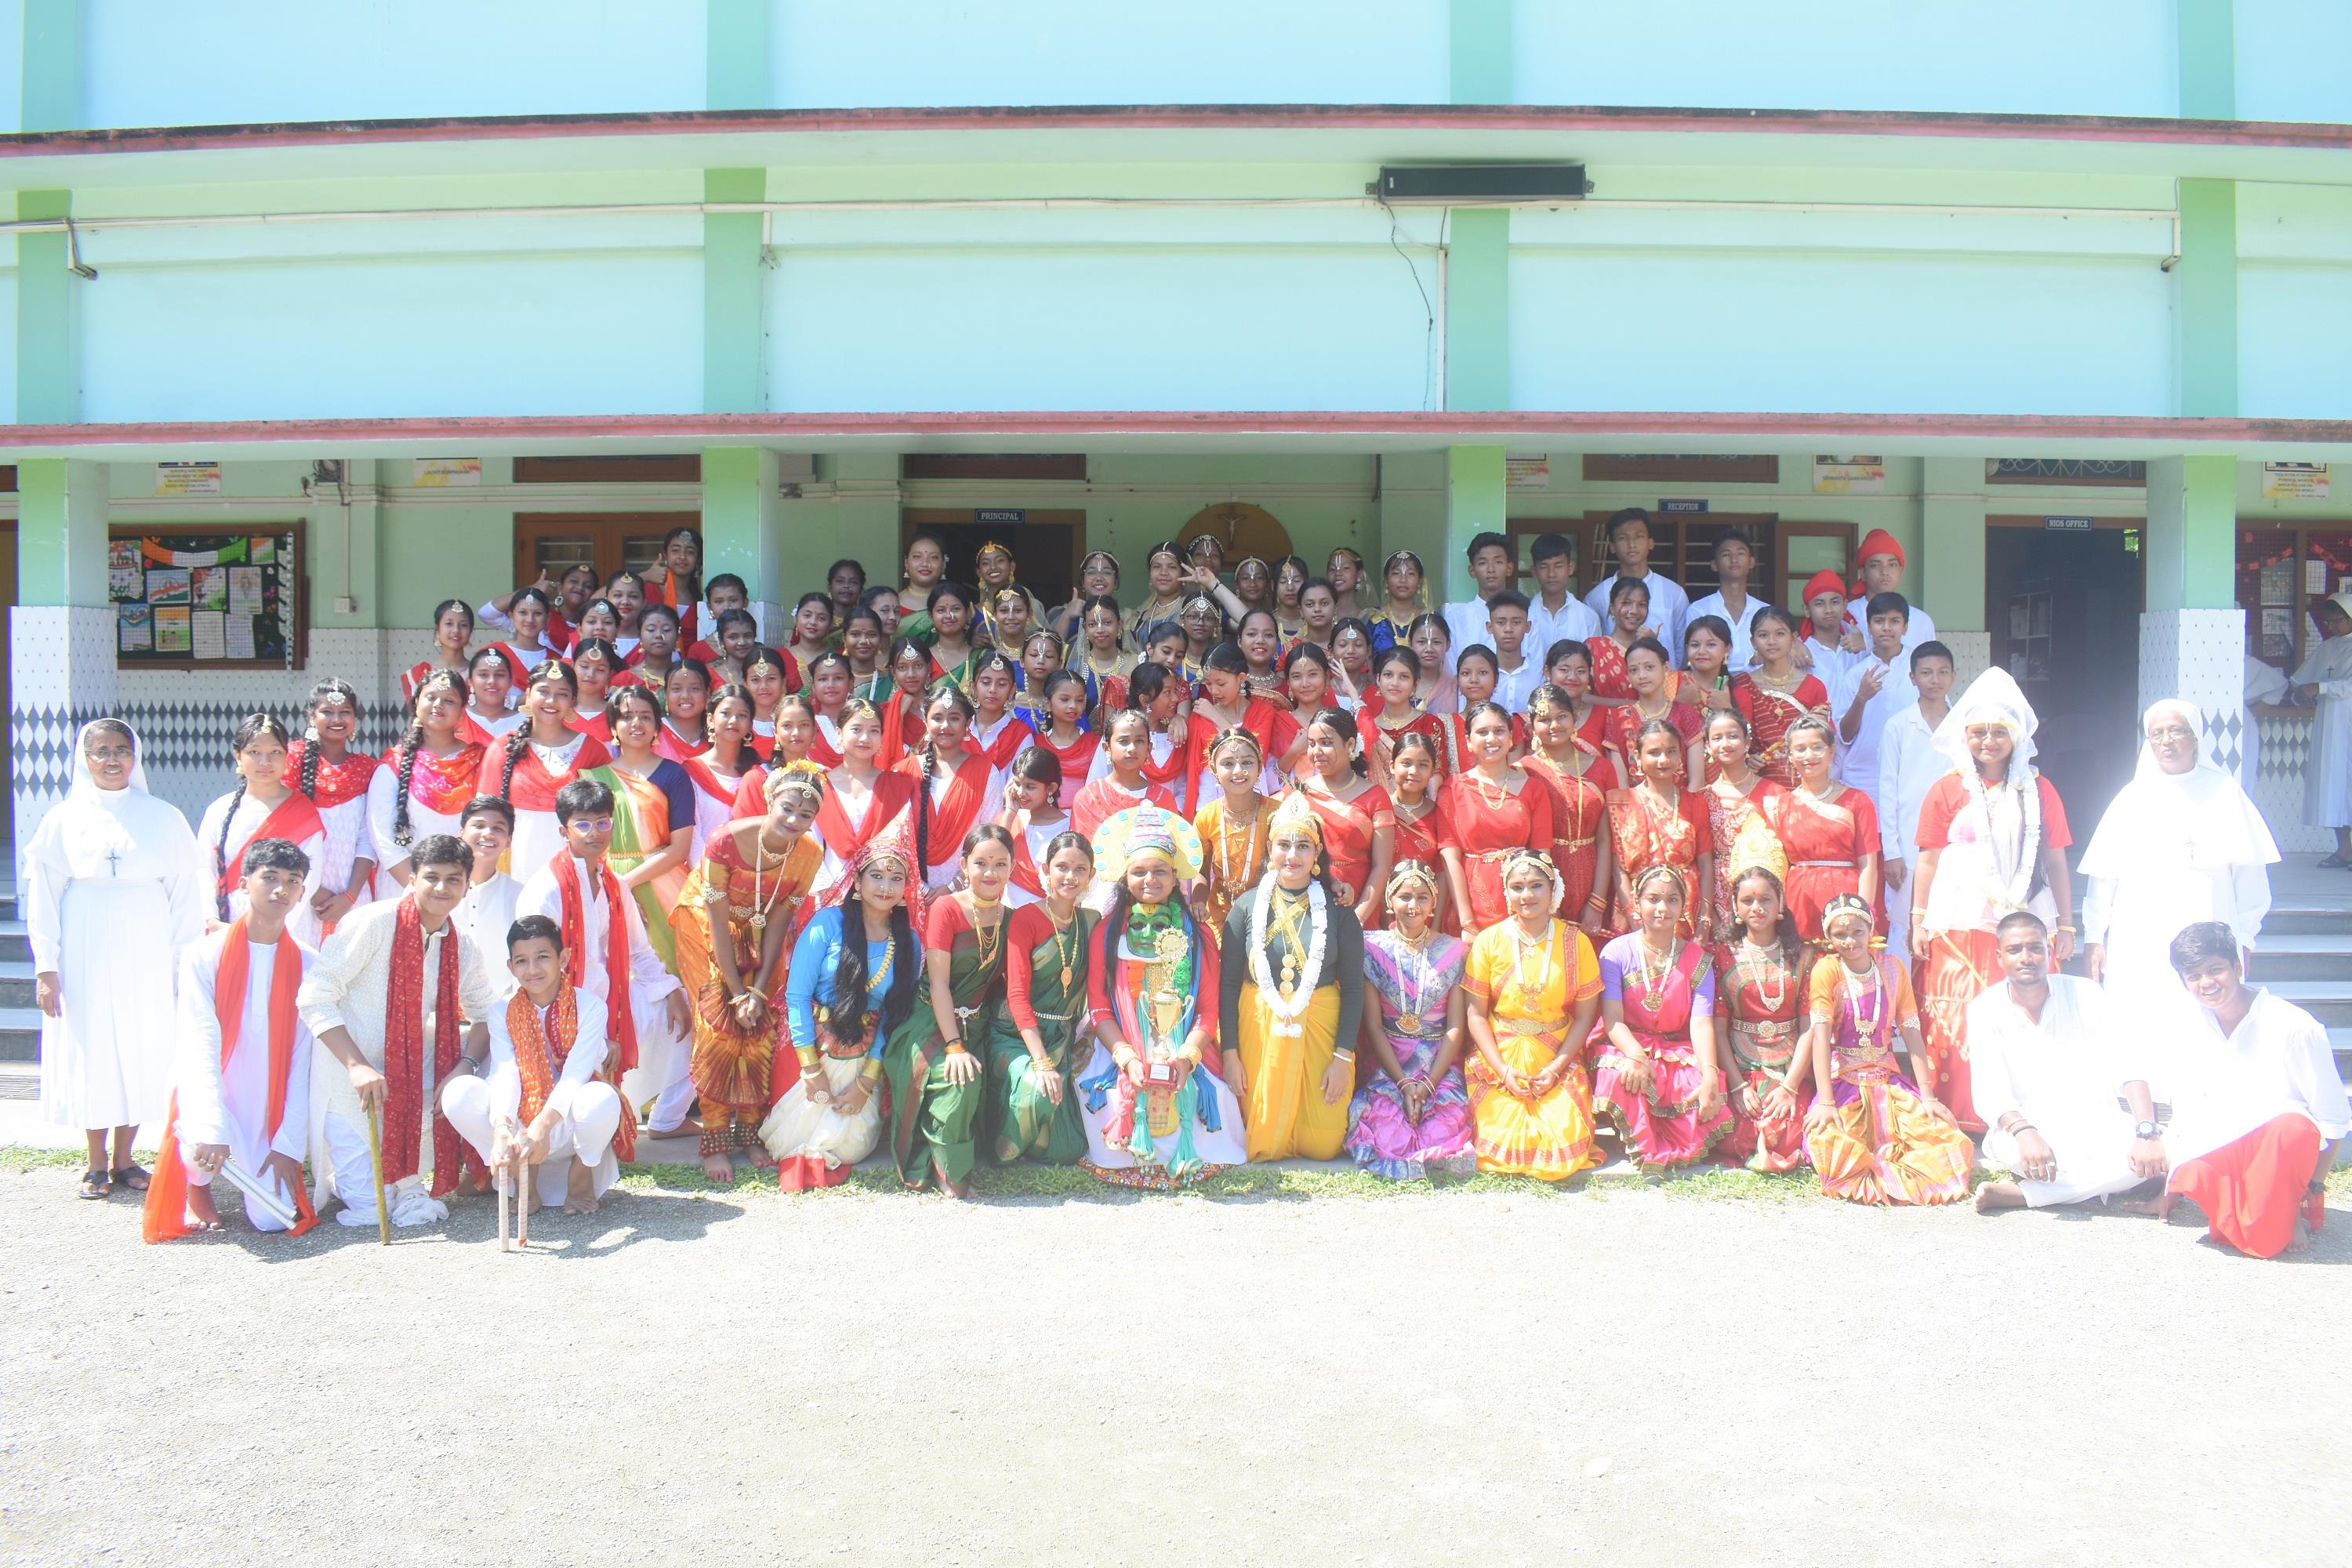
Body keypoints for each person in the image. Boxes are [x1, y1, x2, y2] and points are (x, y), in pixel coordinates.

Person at [31, 720, 209, 1200]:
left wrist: (183, 963)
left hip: (146, 946)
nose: (112, 760)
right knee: (93, 1046)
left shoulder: (164, 816)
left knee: (138, 1044)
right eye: (101, 751)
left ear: (136, 756)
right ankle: (94, 1164)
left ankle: (127, 1158)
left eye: (122, 750)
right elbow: (43, 898)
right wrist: (46, 965)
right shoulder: (61, 819)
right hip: (84, 941)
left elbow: (184, 898)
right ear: (84, 759)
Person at [299, 833, 500, 1226]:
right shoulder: (372, 923)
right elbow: (315, 997)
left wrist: (464, 1067)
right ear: (412, 879)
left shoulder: (462, 946)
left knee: (491, 1060)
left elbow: (487, 1014)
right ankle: (394, 1184)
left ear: (467, 885)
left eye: (453, 879)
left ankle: (412, 1181)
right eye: (432, 877)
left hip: (408, 1078)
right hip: (347, 1077)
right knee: (371, 1209)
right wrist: (356, 1066)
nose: (442, 888)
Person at [1908, 669, 2074, 1132]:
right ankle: (1961, 1116)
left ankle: (2028, 1116)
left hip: (2022, 922)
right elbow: (1927, 860)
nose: (1989, 741)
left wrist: (2066, 924)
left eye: (2000, 732)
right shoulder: (1947, 788)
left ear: (2017, 737)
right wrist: (1918, 920)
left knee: (2026, 1015)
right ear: (1965, 738)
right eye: (1979, 732)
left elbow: (2057, 863)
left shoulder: (2040, 790)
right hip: (1957, 923)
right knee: (1954, 1015)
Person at [143, 838, 320, 1239]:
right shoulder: (205, 954)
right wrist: (211, 1127)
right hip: (214, 1093)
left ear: (302, 893)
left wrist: (288, 1143)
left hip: (267, 1106)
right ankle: (197, 1182)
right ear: (243, 884)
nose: (281, 889)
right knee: (197, 1146)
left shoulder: (308, 962)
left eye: (292, 881)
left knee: (273, 1221)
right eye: (269, 878)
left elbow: (301, 1057)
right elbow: (199, 1042)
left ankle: (239, 1166)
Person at [2079, 699, 2278, 1033]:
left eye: (2176, 731)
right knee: (2144, 1009)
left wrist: (2245, 936)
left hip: (2210, 914)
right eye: (2157, 734)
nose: (2167, 741)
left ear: (2196, 737)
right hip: (2141, 925)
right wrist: (2095, 936)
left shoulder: (2225, 792)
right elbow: (2104, 874)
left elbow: (2249, 874)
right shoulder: (2133, 796)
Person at [2154, 921, 2350, 1257]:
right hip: (2226, 1143)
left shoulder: (2295, 1026)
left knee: (2292, 1129)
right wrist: (2167, 1188)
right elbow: (2188, 1104)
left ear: (2238, 966)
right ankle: (2255, 1206)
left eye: (2215, 970)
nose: (2207, 983)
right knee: (2203, 1184)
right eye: (2194, 976)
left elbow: (2333, 1121)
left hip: (2279, 1150)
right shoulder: (2186, 1025)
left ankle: (2287, 1207)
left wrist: (2312, 1187)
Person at [1076, 806, 1246, 1189]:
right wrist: (1127, 1058)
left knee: (1213, 1097)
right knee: (1096, 1092)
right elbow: (1099, 1006)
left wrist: (1186, 1057)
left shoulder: (1198, 937)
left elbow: (1206, 1010)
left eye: (1160, 871)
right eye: (1139, 871)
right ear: (1125, 876)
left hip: (1184, 1045)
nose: (1149, 879)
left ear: (1175, 878)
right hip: (1119, 1045)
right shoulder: (1105, 932)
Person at [516, 779, 693, 1145]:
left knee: (690, 1011)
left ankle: (668, 1118)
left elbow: (639, 952)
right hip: (556, 1013)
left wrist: (671, 990)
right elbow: (536, 976)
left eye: (603, 822)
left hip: (608, 1001)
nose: (594, 833)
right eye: (582, 824)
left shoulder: (614, 884)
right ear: (563, 831)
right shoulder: (546, 889)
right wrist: (597, 1035)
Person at [670, 766, 825, 1181]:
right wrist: (737, 993)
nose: (794, 821)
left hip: (760, 927)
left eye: (805, 816)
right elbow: (718, 922)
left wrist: (758, 990)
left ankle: (751, 1130)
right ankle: (716, 1135)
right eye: (787, 809)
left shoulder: (810, 853)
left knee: (764, 1021)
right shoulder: (726, 840)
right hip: (705, 923)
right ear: (769, 802)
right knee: (717, 1020)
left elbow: (779, 920)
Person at [757, 825, 921, 1189]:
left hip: (864, 1057)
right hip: (809, 1047)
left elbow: (895, 1015)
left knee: (852, 1145)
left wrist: (866, 1082)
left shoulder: (908, 942)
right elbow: (796, 997)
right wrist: (810, 1068)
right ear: (857, 883)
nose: (885, 887)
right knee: (788, 1142)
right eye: (876, 876)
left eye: (896, 878)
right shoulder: (827, 923)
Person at [1968, 913, 2161, 1215]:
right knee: (2035, 1157)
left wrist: (2146, 1132)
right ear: (1999, 957)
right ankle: (2122, 1180)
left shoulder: (2085, 993)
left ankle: (2025, 1196)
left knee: (2170, 1149)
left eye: (2035, 948)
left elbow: (2129, 1065)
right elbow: (1989, 1092)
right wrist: (2026, 1133)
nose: (2026, 958)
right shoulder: (1984, 1009)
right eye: (2015, 950)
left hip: (2094, 1121)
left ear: (2049, 950)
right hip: (2024, 1130)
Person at [440, 914, 625, 1218]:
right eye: (522, 961)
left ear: (562, 958)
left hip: (568, 1124)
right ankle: (520, 1179)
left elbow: (575, 1075)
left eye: (542, 957)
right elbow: (506, 1072)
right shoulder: (502, 1012)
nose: (533, 969)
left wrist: (542, 1125)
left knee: (602, 1098)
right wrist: (502, 1128)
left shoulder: (590, 1007)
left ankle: (581, 1178)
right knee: (458, 1093)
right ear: (511, 967)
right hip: (521, 1128)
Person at [1221, 792, 1368, 1163]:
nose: (1293, 855)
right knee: (1261, 1141)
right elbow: (1228, 984)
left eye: (1303, 846)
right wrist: (1231, 1054)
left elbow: (1353, 990)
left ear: (1317, 855)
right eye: (1284, 845)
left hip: (1319, 1025)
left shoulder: (1339, 912)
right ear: (1270, 849)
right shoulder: (1246, 906)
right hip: (1260, 1024)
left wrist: (1342, 1059)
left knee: (1324, 1145)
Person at [1801, 894, 1975, 1206]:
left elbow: (1912, 1033)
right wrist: (1825, 1102)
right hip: (1844, 1082)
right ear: (1828, 938)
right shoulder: (1827, 970)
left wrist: (1929, 1096)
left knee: (1944, 1138)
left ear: (1871, 930)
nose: (1850, 941)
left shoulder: (1892, 968)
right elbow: (1819, 1038)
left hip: (1887, 1078)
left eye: (1857, 932)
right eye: (1840, 935)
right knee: (1830, 1141)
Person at [881, 825, 1015, 1196]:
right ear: (963, 865)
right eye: (981, 863)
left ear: (1013, 868)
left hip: (981, 1023)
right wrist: (954, 1046)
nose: (990, 873)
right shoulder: (947, 908)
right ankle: (947, 1171)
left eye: (1000, 864)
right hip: (930, 1019)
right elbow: (939, 984)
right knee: (961, 1079)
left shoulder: (1011, 918)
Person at [1461, 850, 1606, 1180]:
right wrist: (1503, 1071)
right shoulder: (1489, 940)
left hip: (1555, 1055)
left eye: (1536, 885)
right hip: (1500, 1056)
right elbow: (1476, 1016)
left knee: (1564, 1136)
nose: (1527, 896)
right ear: (1507, 892)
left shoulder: (1576, 942)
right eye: (1517, 887)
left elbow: (1585, 1016)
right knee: (1502, 1138)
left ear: (1553, 888)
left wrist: (1556, 1070)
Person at [1592, 866, 1733, 1169]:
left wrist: (1710, 1072)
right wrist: (1636, 1055)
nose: (1662, 908)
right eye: (1653, 899)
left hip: (1674, 1049)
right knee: (1622, 1074)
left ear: (1684, 907)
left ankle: (1654, 1137)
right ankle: (1635, 1136)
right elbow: (1613, 1018)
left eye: (1672, 900)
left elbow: (1701, 1022)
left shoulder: (1698, 960)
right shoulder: (1615, 952)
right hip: (1628, 1044)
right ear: (1636, 903)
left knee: (1703, 1085)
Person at [1345, 862, 1476, 1179]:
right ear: (1390, 901)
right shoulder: (1372, 947)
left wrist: (1428, 1083)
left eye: (1422, 897)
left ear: (1433, 904)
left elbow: (1455, 1027)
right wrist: (1403, 1083)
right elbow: (1374, 1026)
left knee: (1444, 1128)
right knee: (1385, 1129)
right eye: (1404, 896)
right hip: (1390, 1061)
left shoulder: (1454, 951)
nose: (1412, 906)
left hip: (1438, 1062)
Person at [983, 830, 1099, 1166]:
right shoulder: (1024, 918)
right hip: (1016, 1035)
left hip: (1062, 1036)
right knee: (1038, 1088)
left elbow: (1097, 989)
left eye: (1080, 869)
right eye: (1062, 867)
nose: (1070, 876)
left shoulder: (1091, 922)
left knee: (1066, 1149)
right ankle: (1001, 1144)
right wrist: (1043, 1062)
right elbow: (1016, 996)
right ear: (1044, 870)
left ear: (1091, 875)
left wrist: (1089, 1037)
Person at [581, 684, 695, 970]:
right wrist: (610, 888)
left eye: (645, 717)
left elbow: (680, 847)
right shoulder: (595, 778)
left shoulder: (674, 775)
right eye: (627, 716)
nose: (636, 724)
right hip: (604, 882)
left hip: (665, 879)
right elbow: (585, 843)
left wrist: (625, 885)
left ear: (657, 726)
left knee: (673, 969)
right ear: (613, 726)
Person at [1714, 862, 1814, 1173]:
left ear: (1781, 902)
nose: (1757, 908)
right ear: (1735, 906)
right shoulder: (1721, 954)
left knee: (1789, 1135)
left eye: (1766, 899)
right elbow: (1717, 1029)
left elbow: (1809, 1027)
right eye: (1748, 901)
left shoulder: (1805, 955)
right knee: (1735, 1132)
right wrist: (1736, 1086)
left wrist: (1791, 1087)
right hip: (1742, 1068)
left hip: (1790, 1068)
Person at [199, 713, 327, 946]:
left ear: (287, 755)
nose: (265, 761)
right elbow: (203, 871)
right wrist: (212, 920)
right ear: (238, 755)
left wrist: (272, 929)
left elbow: (309, 880)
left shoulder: (302, 813)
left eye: (275, 752)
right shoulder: (219, 810)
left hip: (288, 930)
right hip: (226, 929)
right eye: (254, 752)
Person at [481, 659, 612, 881]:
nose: (551, 701)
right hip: (515, 864)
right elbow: (483, 815)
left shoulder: (593, 750)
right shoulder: (503, 748)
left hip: (576, 864)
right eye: (543, 691)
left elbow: (607, 817)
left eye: (562, 694)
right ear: (528, 694)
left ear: (573, 700)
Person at [1762, 714, 1882, 945]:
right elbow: (1775, 868)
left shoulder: (1858, 801)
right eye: (1800, 749)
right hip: (1797, 901)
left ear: (1832, 751)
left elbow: (1868, 866)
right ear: (1789, 755)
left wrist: (1863, 917)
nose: (1809, 756)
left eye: (1817, 747)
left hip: (1845, 900)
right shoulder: (1780, 805)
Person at [1872, 640, 1956, 966]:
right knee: (1903, 925)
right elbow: (1888, 789)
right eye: (1926, 673)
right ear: (1912, 678)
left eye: (1942, 672)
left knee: (1949, 918)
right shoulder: (1898, 725)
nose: (1935, 679)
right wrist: (1891, 851)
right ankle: (1900, 1007)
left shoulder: (1964, 725)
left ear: (1953, 675)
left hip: (1954, 842)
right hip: (1908, 845)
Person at [1440, 701, 1553, 941]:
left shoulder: (1533, 789)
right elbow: (1450, 857)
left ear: (1512, 738)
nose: (1492, 739)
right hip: (1471, 899)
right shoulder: (1453, 788)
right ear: (1468, 741)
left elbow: (1543, 857)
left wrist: (1538, 909)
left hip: (1523, 898)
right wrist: (1466, 921)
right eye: (1482, 733)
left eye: (1499, 731)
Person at [1606, 718, 1715, 941]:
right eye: (1654, 753)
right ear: (1637, 756)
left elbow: (1705, 863)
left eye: (1671, 751)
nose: (1664, 760)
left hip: (1686, 909)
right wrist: (1636, 921)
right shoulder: (1620, 803)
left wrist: (1704, 918)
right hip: (1636, 911)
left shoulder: (1696, 803)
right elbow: (1618, 870)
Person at [372, 670, 484, 887]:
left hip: (464, 889)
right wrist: (421, 890)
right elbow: (384, 839)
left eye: (449, 700)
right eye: (431, 697)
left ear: (462, 712)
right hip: (404, 887)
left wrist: (458, 887)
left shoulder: (479, 760)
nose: (439, 704)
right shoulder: (394, 765)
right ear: (416, 704)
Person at [1288, 708, 1396, 927]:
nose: (1316, 751)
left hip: (1359, 901)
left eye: (1326, 743)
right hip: (1308, 899)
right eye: (1311, 744)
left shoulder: (1375, 797)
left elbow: (1382, 867)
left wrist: (1360, 916)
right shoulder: (1300, 792)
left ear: (1349, 745)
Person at [1523, 683, 1613, 931]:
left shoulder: (1602, 768)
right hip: (1546, 872)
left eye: (1562, 716)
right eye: (1545, 719)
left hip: (1595, 874)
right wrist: (1547, 895)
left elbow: (1606, 838)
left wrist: (1598, 901)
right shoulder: (1523, 771)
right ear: (1531, 726)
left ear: (1574, 719)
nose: (1555, 725)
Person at [811, 699, 918, 895]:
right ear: (839, 734)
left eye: (874, 731)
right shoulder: (819, 785)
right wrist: (827, 894)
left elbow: (903, 846)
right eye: (856, 729)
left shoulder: (897, 786)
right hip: (830, 894)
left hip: (883, 894)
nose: (865, 738)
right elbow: (811, 846)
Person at [1699, 708, 1786, 942]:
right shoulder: (1701, 798)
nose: (1725, 743)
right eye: (1717, 738)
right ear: (1707, 745)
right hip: (1714, 892)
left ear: (1747, 741)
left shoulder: (1774, 794)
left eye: (1733, 736)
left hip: (1759, 898)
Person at [1827, 591, 1919, 799]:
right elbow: (1845, 735)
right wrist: (1861, 697)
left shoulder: (1921, 667)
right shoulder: (1856, 674)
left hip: (1912, 774)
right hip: (1864, 777)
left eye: (1894, 621)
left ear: (1905, 627)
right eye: (1879, 621)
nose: (1886, 628)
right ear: (1868, 627)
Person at [1729, 605, 1830, 786]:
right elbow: (1739, 739)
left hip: (1805, 784)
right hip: (1758, 784)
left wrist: (1817, 726)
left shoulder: (1814, 687)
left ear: (1793, 638)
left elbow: (1826, 741)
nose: (1771, 641)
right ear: (1753, 641)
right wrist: (1749, 759)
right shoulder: (1743, 686)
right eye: (1763, 635)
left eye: (1780, 634)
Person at [1192, 725, 1272, 938]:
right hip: (1220, 917)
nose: (1238, 771)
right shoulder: (1206, 817)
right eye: (1228, 763)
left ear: (1260, 767)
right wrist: (1198, 900)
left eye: (1247, 762)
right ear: (1213, 769)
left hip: (1268, 914)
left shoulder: (1276, 814)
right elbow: (1201, 871)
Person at [1582, 509, 1690, 660]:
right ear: (1612, 546)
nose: (1631, 544)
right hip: (1611, 682)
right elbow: (1592, 653)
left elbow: (1682, 652)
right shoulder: (1596, 597)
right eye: (1623, 538)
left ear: (1650, 543)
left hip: (1665, 681)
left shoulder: (1674, 593)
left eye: (1639, 537)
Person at [2292, 592, 2352, 865]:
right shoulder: (2328, 647)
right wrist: (2304, 692)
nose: (2331, 627)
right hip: (2330, 726)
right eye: (2327, 622)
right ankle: (2344, 849)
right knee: (2333, 783)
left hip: (2348, 722)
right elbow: (2302, 679)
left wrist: (2322, 687)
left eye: (2336, 621)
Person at [1601, 637, 1704, 789]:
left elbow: (1697, 780)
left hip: (1683, 808)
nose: (1642, 675)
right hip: (1637, 809)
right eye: (1634, 670)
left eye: (1649, 667)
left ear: (1666, 668)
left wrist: (1682, 812)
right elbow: (1621, 784)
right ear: (1628, 676)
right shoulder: (1619, 718)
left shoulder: (1685, 712)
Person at [449, 797, 523, 985]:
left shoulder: (520, 896)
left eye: (498, 828)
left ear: (509, 841)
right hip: (434, 1009)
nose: (488, 833)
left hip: (498, 1008)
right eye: (479, 825)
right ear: (461, 833)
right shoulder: (434, 889)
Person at [1842, 528, 1937, 662]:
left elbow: (1930, 666)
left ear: (1901, 570)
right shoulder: (1847, 615)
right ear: (1863, 573)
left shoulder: (1921, 621)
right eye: (1875, 565)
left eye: (1892, 565)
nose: (1885, 572)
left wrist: (1868, 643)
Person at [1686, 529, 1764, 672]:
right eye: (1726, 554)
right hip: (1713, 688)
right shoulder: (1699, 610)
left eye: (1740, 553)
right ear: (1714, 565)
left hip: (1758, 690)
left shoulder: (1765, 611)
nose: (1734, 559)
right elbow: (1694, 658)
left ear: (1752, 562)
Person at [1524, 532, 1602, 656]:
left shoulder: (1588, 617)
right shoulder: (1524, 615)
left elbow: (1594, 664)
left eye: (1558, 566)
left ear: (1570, 567)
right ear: (1534, 571)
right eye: (1544, 567)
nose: (1551, 574)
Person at [403, 598, 476, 705]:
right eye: (449, 624)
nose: (456, 630)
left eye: (463, 625)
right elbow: (415, 718)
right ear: (437, 630)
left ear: (470, 631)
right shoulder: (417, 674)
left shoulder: (479, 675)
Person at [1796, 571, 1859, 691]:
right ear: (1806, 610)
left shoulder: (1858, 647)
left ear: (1845, 605)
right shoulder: (1799, 651)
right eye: (1820, 604)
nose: (1828, 610)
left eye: (1835, 602)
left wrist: (1867, 642)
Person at [1367, 549, 1428, 652]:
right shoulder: (1372, 618)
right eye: (1396, 573)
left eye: (1410, 574)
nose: (1403, 580)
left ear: (1420, 581)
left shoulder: (1429, 618)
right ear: (1386, 579)